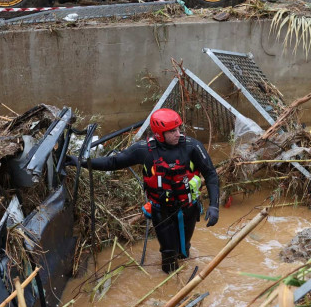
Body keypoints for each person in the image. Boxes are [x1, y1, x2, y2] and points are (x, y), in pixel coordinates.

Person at [68, 109, 220, 273]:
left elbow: (210, 174)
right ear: (160, 134)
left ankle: (184, 279)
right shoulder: (143, 150)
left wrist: (214, 206)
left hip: (188, 208)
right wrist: (78, 161)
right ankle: (169, 287)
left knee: (184, 251)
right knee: (169, 254)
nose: (178, 134)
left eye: (179, 129)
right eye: (172, 131)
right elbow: (112, 162)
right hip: (160, 210)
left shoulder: (192, 147)